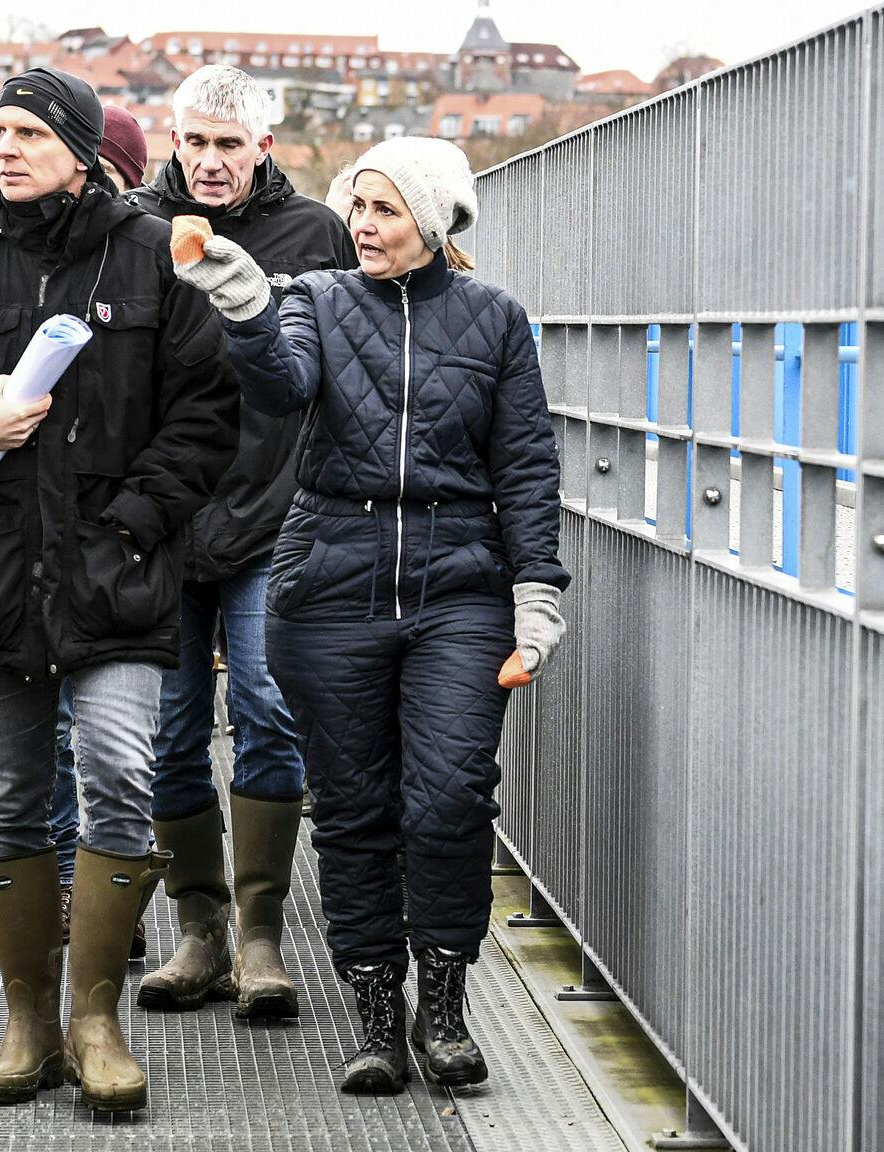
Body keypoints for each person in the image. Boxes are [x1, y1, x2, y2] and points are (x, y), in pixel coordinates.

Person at [0, 69, 238, 1113]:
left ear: (78, 145)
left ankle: (98, 1018)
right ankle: (27, 1019)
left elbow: (208, 410)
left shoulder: (149, 255)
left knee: (119, 770)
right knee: (12, 793)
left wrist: (134, 521)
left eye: (27, 131)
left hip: (115, 577)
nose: (4, 149)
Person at [172, 136, 569, 1094]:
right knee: (354, 812)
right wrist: (246, 305)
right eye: (357, 207)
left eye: (385, 210)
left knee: (450, 797)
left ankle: (444, 1004)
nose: (362, 225)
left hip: (460, 591)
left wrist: (537, 594)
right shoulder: (316, 297)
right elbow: (281, 384)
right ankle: (376, 1020)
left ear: (432, 221)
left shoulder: (496, 320)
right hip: (330, 586)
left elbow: (524, 465)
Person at [123, 65, 358, 1022]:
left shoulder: (315, 237)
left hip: (275, 511)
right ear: (174, 140)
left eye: (230, 145)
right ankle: (199, 926)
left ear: (266, 147)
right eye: (195, 142)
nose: (210, 162)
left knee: (266, 707)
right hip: (164, 517)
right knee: (171, 728)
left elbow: (349, 367)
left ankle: (261, 931)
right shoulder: (136, 234)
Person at [46, 103, 153, 960]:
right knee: (40, 749)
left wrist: (139, 515)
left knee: (114, 749)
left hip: (122, 541)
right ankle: (60, 914)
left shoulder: (146, 263)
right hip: (27, 543)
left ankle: (104, 916)